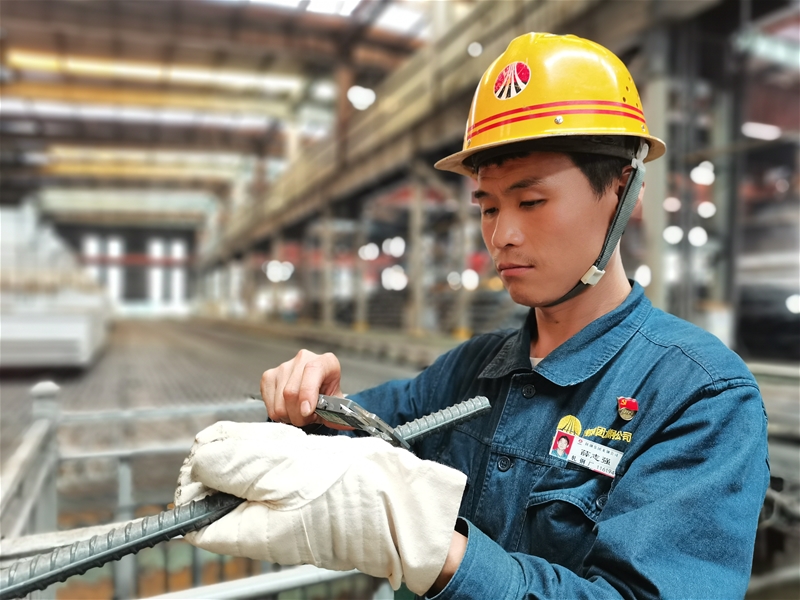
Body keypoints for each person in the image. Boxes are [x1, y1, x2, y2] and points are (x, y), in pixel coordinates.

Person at [176, 32, 769, 599]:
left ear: (622, 190)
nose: (502, 235)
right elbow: (363, 436)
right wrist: (312, 409)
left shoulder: (698, 397)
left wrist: (439, 554)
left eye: (531, 201)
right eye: (488, 207)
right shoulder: (469, 372)